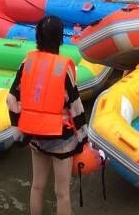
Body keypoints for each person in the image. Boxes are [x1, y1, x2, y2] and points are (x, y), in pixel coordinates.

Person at [7, 15, 88, 215]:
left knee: (36, 187)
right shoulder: (63, 68)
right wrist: (83, 139)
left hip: (33, 133)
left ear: (38, 36)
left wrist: (19, 131)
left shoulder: (27, 63)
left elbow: (11, 99)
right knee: (62, 194)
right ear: (60, 38)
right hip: (61, 138)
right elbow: (76, 107)